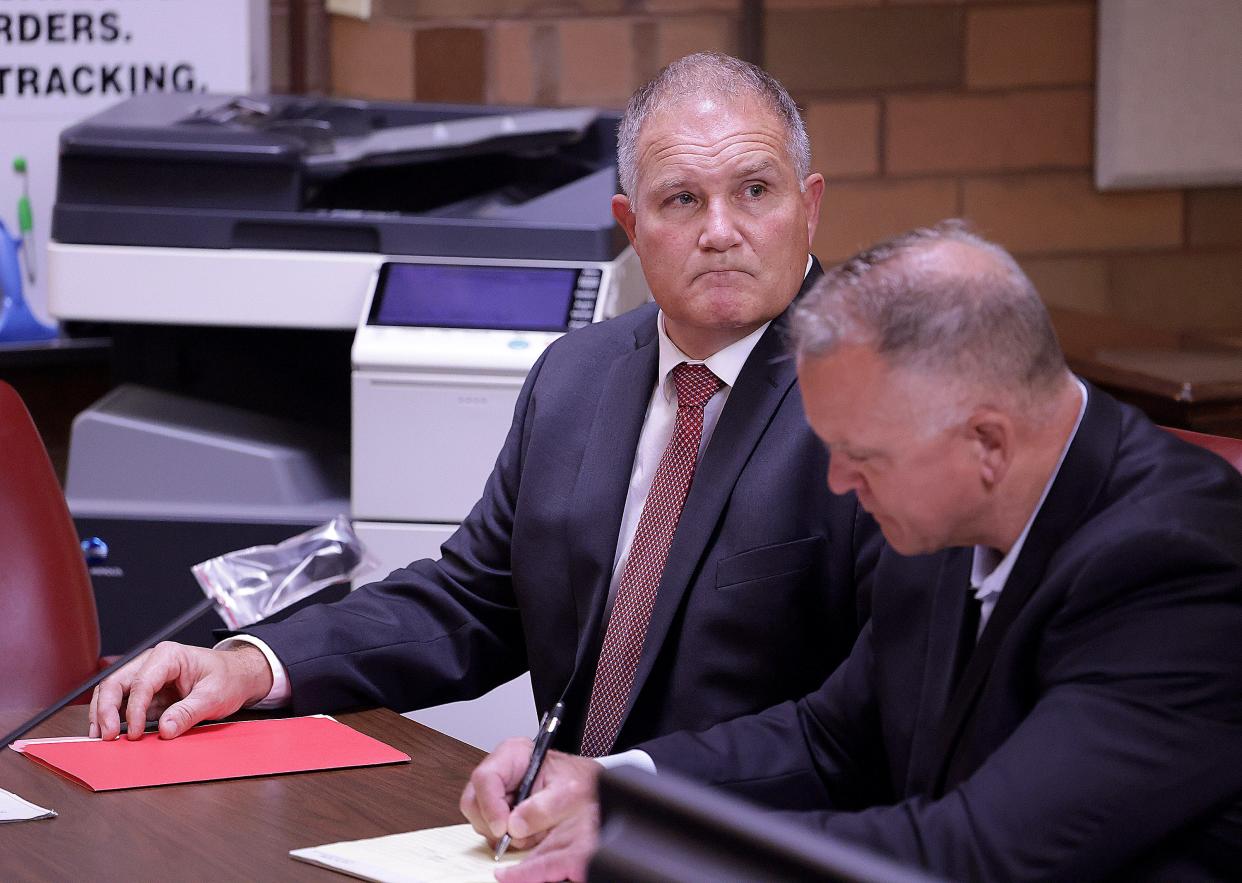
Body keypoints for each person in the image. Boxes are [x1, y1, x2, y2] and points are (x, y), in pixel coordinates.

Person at [89, 52, 877, 767]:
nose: (719, 231)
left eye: (754, 190)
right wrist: (250, 664)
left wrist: (627, 788)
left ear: (808, 207)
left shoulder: (873, 398)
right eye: (681, 199)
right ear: (632, 228)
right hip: (553, 842)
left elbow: (870, 716)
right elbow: (472, 599)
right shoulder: (578, 376)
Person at [462, 223, 1242, 882]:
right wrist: (617, 788)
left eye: (862, 456)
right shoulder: (943, 506)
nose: (840, 480)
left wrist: (659, 849)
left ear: (988, 444)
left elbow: (977, 853)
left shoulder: (1178, 564)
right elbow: (833, 737)